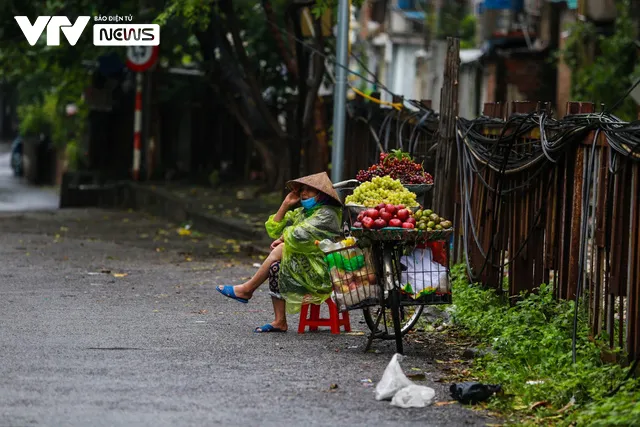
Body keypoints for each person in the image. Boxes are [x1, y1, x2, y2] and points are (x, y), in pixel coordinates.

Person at [216, 172, 342, 333]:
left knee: (282, 248)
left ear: (322, 194)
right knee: (275, 266)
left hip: (323, 269)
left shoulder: (328, 214)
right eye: (302, 189)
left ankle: (247, 289)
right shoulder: (303, 213)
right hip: (305, 264)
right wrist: (285, 204)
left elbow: (301, 233)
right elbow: (273, 228)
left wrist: (283, 239)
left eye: (310, 190)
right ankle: (280, 321)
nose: (304, 193)